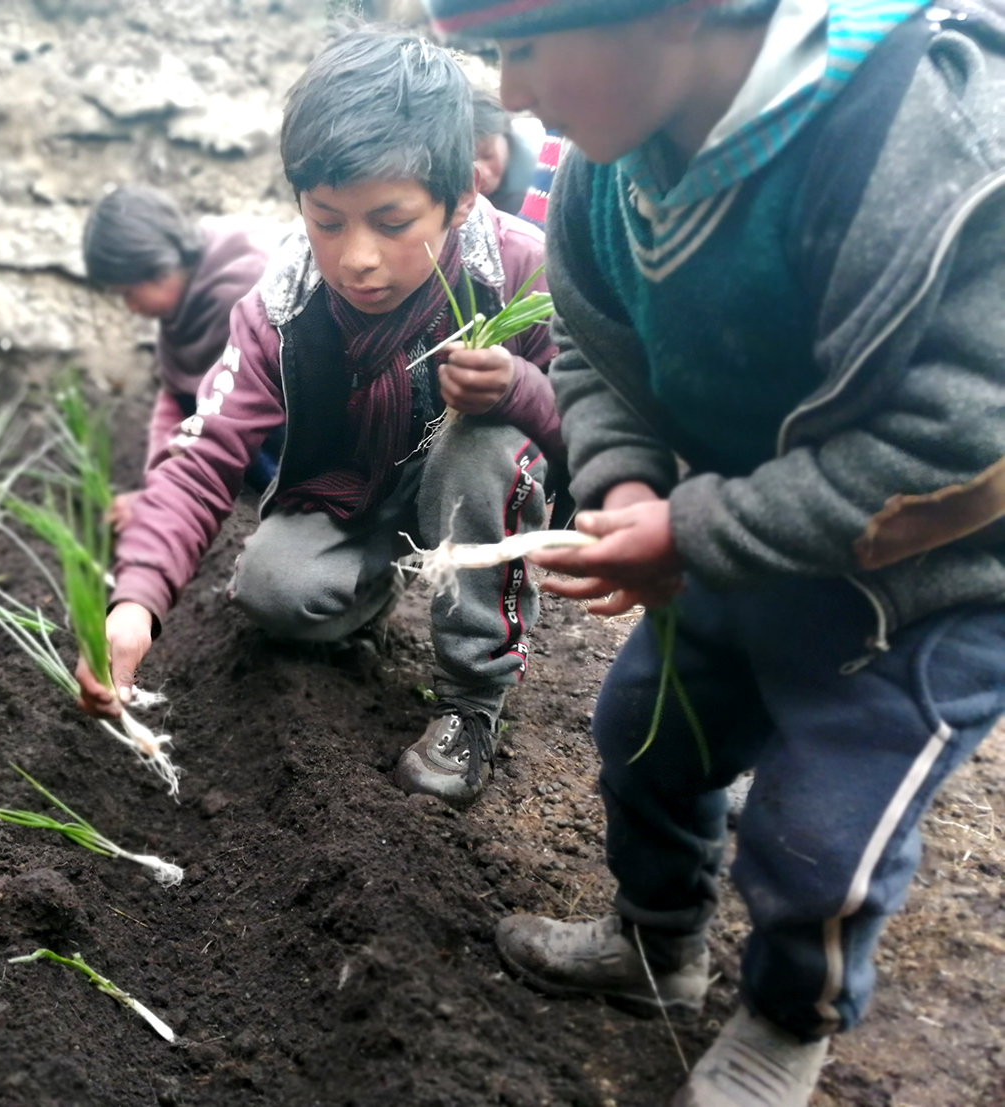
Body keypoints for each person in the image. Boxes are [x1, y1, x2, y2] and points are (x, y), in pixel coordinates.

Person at [424, 0, 1005, 1103]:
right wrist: (629, 482)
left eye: (528, 46)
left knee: (820, 831)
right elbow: (596, 352)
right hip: (733, 544)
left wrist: (693, 528)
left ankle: (788, 1025)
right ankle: (656, 947)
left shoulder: (932, 137)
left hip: (921, 590)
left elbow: (971, 441)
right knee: (644, 735)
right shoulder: (610, 167)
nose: (508, 93)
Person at [76, 28, 565, 809]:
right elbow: (203, 451)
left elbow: (593, 422)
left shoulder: (521, 269)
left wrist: (517, 391)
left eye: (392, 221)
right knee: (273, 592)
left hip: (472, 482)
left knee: (479, 446)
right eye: (327, 220)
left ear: (463, 194)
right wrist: (135, 600)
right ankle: (378, 583)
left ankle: (470, 703)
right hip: (359, 492)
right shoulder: (281, 302)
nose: (356, 258)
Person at [81, 187, 286, 528]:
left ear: (161, 268)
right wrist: (156, 486)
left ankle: (290, 507)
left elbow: (228, 420)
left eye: (129, 293)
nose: (130, 308)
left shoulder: (240, 291)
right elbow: (178, 402)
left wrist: (165, 497)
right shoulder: (186, 295)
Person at [471, 89, 540, 217]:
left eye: (487, 156)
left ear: (507, 138)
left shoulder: (541, 176)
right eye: (467, 161)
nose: (479, 174)